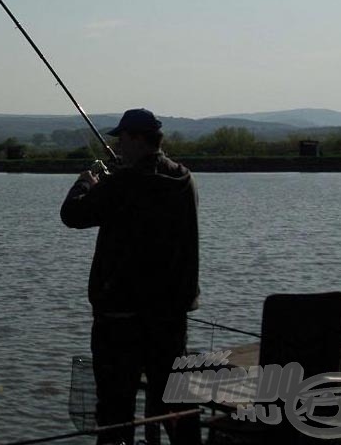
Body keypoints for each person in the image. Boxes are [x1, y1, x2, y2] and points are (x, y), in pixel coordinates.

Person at [60, 108, 201, 445]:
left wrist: (86, 182)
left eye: (121, 139)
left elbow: (72, 214)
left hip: (119, 319)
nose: (118, 146)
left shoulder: (122, 183)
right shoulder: (184, 180)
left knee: (114, 409)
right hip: (169, 317)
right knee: (173, 400)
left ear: (137, 139)